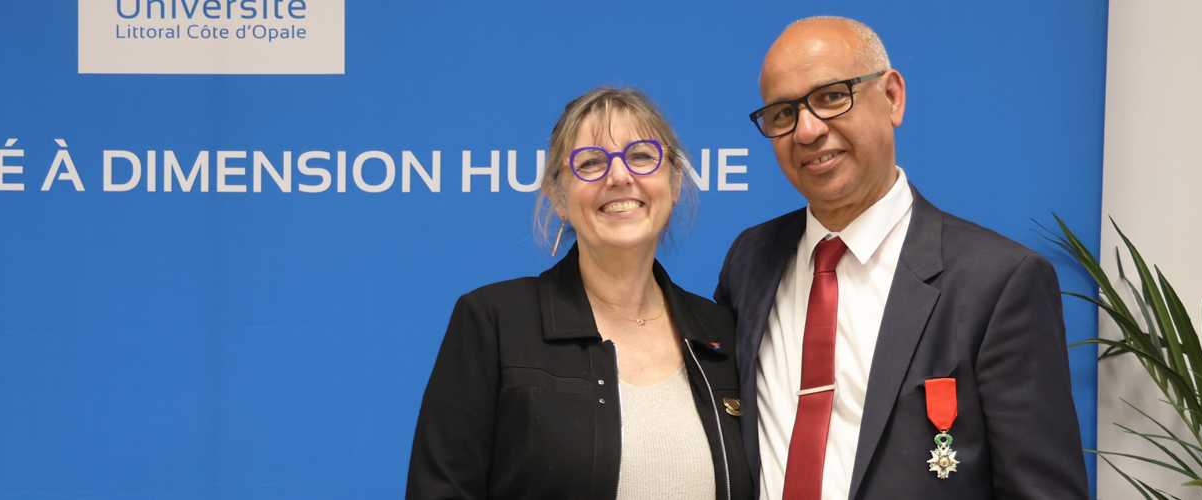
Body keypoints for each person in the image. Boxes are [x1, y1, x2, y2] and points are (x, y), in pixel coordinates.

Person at [713, 17, 1089, 500]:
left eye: (831, 96)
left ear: (892, 97)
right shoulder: (750, 260)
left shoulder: (998, 282)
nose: (806, 130)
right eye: (783, 113)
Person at [408, 86, 754, 500]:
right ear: (557, 196)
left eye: (642, 156)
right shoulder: (493, 322)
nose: (621, 176)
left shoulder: (722, 334)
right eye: (591, 163)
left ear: (675, 181)